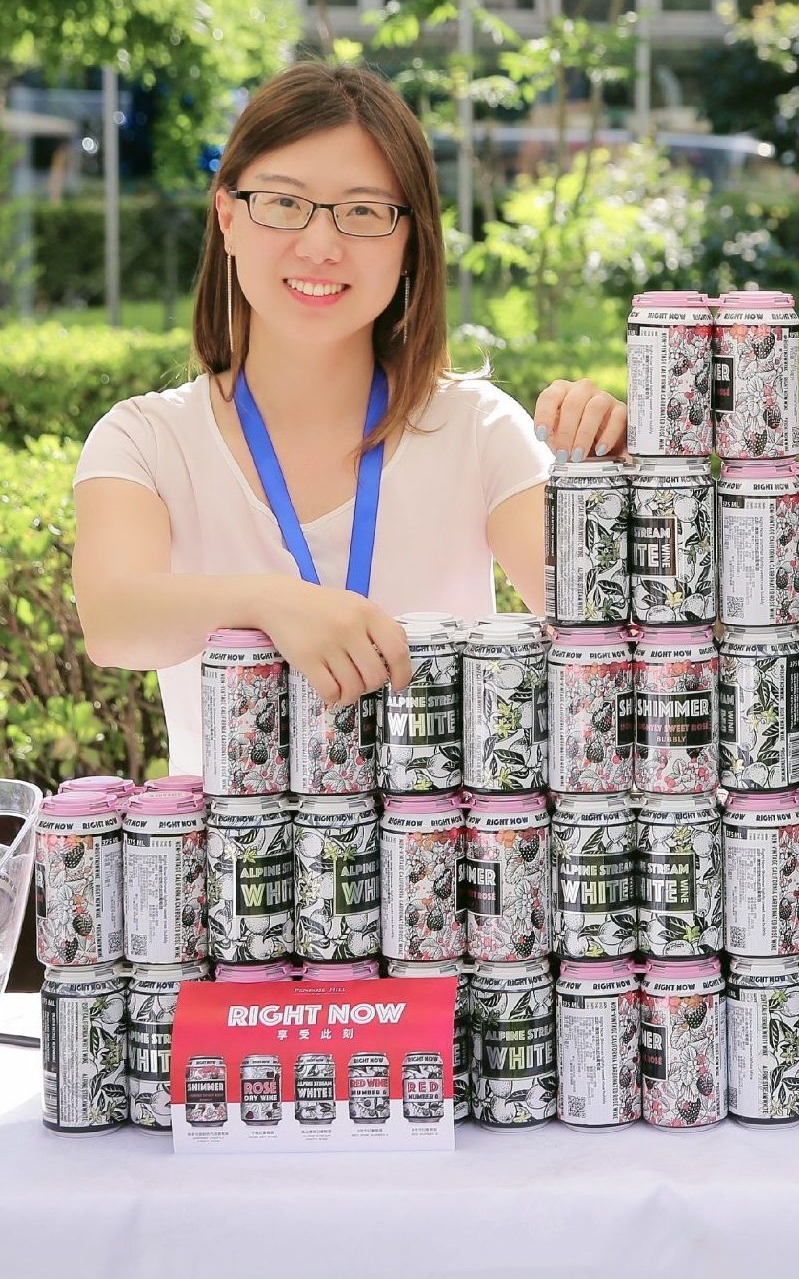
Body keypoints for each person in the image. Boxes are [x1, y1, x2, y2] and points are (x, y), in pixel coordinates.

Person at [71, 61, 627, 773]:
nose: (320, 244)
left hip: (440, 842)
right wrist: (273, 604)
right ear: (228, 218)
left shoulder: (478, 430)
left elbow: (600, 623)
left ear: (410, 242)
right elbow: (113, 622)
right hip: (232, 847)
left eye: (363, 212)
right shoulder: (145, 441)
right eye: (284, 202)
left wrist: (614, 483)